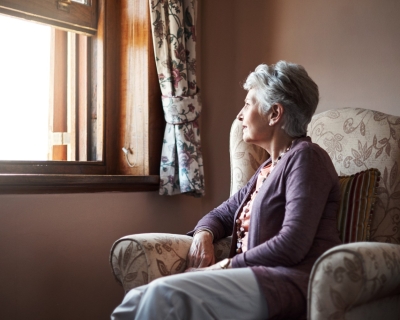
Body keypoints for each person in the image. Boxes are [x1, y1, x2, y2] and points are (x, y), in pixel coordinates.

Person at [111, 61, 342, 320]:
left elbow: (293, 244)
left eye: (247, 103)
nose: (240, 115)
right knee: (135, 300)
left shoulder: (306, 158)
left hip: (290, 282)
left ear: (275, 113)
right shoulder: (268, 168)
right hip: (252, 279)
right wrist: (204, 235)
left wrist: (224, 266)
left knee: (163, 294)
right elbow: (223, 214)